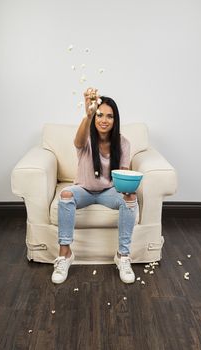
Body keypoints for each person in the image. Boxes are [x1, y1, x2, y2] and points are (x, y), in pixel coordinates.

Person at [51, 87, 138, 284]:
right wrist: (88, 115)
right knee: (65, 194)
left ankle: (123, 255)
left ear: (115, 120)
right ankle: (65, 255)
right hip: (83, 190)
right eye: (100, 115)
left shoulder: (123, 143)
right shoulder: (86, 138)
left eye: (109, 116)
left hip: (109, 191)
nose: (104, 120)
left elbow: (123, 172)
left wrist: (127, 187)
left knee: (131, 199)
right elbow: (78, 140)